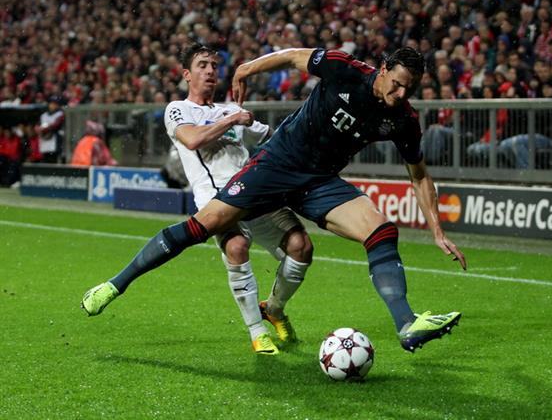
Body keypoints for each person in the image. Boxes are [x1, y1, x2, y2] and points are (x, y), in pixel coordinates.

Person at [82, 46, 467, 353]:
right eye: (397, 85)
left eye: (409, 90)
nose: (401, 95)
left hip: (319, 181)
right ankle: (115, 285)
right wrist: (246, 69)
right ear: (383, 69)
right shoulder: (345, 69)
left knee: (381, 231)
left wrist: (436, 230)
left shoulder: (403, 120)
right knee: (204, 226)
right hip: (278, 164)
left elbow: (419, 174)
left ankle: (406, 324)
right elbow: (293, 56)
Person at [83, 44, 313, 356]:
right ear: (187, 75)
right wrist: (233, 121)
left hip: (255, 192)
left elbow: (274, 139)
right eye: (202, 65)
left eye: (214, 66)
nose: (210, 70)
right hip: (216, 200)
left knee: (301, 246)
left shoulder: (232, 110)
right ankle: (257, 332)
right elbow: (192, 139)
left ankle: (274, 308)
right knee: (237, 247)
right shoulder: (179, 109)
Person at [37, 95, 65, 163]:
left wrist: (44, 129)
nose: (53, 105)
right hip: (44, 142)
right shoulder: (43, 115)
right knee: (45, 161)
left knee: (53, 161)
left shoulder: (60, 114)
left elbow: (55, 125)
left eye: (55, 104)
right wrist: (40, 130)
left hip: (54, 143)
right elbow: (37, 127)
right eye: (51, 103)